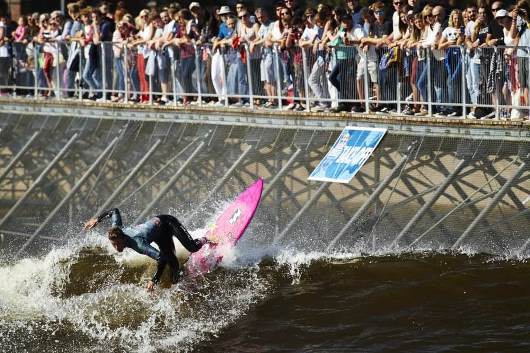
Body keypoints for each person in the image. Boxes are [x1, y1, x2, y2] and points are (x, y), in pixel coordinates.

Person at [84, 208, 212, 291]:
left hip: (167, 223)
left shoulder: (138, 244)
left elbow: (161, 257)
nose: (117, 248)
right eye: (114, 245)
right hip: (159, 234)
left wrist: (154, 280)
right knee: (173, 266)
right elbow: (114, 211)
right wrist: (97, 219)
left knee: (192, 247)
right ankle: (186, 281)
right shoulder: (116, 228)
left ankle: (207, 238)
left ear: (123, 239)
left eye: (118, 244)